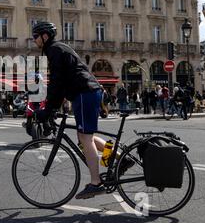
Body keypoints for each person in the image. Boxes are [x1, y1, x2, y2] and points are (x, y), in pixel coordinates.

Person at [30, 22, 134, 200]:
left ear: (45, 36)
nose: (34, 40)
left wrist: (48, 109)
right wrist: (52, 106)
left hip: (84, 93)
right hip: (86, 93)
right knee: (86, 136)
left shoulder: (54, 50)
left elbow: (57, 83)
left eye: (35, 36)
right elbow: (61, 83)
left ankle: (95, 183)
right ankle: (121, 159)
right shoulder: (57, 48)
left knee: (85, 138)